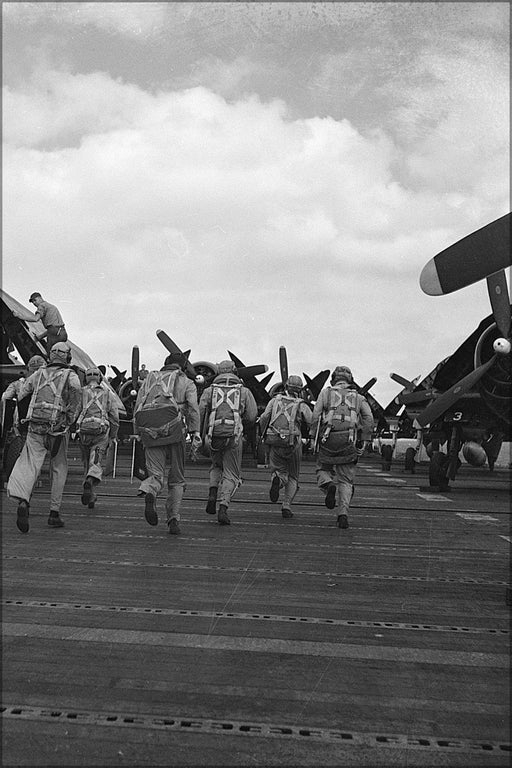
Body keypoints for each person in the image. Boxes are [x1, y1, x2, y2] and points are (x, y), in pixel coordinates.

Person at [7, 342, 82, 533]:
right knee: (58, 468)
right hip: (57, 429)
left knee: (29, 464)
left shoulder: (38, 374)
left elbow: (22, 395)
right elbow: (76, 396)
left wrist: (24, 421)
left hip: (35, 426)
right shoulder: (71, 375)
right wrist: (70, 421)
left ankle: (23, 500)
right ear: (67, 357)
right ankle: (54, 513)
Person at [133, 352, 201, 535]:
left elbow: (138, 404)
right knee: (177, 478)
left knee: (155, 474)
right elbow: (193, 408)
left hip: (150, 431)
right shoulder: (187, 382)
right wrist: (195, 432)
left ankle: (150, 492)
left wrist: (137, 431)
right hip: (175, 432)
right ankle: (173, 519)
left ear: (165, 363)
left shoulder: (149, 380)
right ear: (183, 367)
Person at [310, 365, 374, 529]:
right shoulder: (359, 397)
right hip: (349, 440)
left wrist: (313, 438)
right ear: (350, 380)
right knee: (346, 480)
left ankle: (328, 484)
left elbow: (316, 415)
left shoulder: (325, 393)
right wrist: (365, 440)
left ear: (333, 379)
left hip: (328, 439)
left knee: (323, 469)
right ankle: (343, 514)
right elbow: (368, 418)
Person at [199, 360, 257, 526]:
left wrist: (200, 433)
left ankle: (212, 492)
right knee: (231, 473)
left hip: (213, 435)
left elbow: (201, 410)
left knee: (216, 466)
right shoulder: (244, 391)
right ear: (235, 372)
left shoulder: (209, 391)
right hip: (234, 436)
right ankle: (223, 507)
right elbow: (252, 416)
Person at [258, 375, 312, 519]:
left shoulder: (274, 401)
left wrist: (264, 434)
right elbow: (312, 421)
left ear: (286, 387)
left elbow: (264, 417)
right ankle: (286, 506)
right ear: (300, 390)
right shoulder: (301, 404)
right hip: (293, 443)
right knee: (293, 476)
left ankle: (277, 480)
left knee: (278, 470)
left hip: (275, 441)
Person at [77, 367, 120, 509]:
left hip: (83, 431)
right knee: (95, 462)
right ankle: (90, 481)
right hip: (100, 431)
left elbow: (74, 411)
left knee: (85, 463)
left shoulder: (81, 392)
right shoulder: (108, 393)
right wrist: (113, 435)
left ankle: (91, 497)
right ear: (100, 378)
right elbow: (114, 415)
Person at [1, 356, 46, 435]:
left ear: (28, 369)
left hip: (23, 425)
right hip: (44, 427)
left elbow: (5, 398)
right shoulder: (50, 386)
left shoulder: (17, 384)